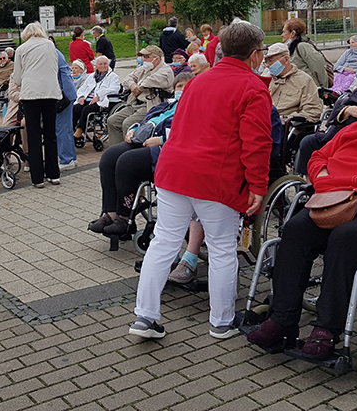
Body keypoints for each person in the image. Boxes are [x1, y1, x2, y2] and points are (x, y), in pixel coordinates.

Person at [128, 21, 272, 340]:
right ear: (253, 55)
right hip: (215, 176)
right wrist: (258, 186)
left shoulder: (197, 80)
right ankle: (221, 321)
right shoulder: (253, 87)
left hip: (174, 169)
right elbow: (258, 143)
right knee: (222, 248)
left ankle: (145, 316)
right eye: (262, 51)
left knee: (164, 241)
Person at [247, 77, 357, 360]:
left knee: (344, 238)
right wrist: (325, 179)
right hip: (334, 199)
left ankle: (326, 329)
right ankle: (282, 319)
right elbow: (317, 157)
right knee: (295, 229)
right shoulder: (354, 128)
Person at [90, 73, 193, 237]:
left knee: (127, 162)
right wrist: (133, 129)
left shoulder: (193, 108)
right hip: (141, 140)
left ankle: (124, 219)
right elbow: (147, 120)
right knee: (109, 157)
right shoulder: (166, 105)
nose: (182, 89)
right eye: (179, 86)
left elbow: (190, 133)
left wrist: (161, 139)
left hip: (164, 150)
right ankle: (111, 213)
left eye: (187, 85)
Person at [294, 59, 357, 175]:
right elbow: (337, 107)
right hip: (338, 133)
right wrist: (347, 110)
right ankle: (307, 183)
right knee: (308, 142)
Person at [10, 22, 62, 188]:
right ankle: (54, 174)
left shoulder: (21, 49)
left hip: (31, 93)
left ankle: (37, 177)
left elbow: (17, 77)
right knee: (50, 133)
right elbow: (55, 68)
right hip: (50, 92)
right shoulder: (50, 45)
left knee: (33, 135)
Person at [107, 45, 174, 147]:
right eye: (143, 57)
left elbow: (148, 81)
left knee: (128, 123)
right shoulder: (144, 69)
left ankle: (129, 153)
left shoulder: (166, 71)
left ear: (157, 58)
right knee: (112, 121)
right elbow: (127, 79)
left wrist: (138, 86)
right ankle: (116, 150)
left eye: (147, 57)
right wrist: (133, 86)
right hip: (135, 103)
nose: (144, 60)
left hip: (151, 106)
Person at [264, 42, 324, 124]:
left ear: (286, 59)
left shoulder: (304, 80)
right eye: (266, 62)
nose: (267, 65)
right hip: (265, 122)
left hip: (286, 126)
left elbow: (312, 111)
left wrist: (286, 119)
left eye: (270, 61)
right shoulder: (267, 78)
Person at [73, 55, 121, 140]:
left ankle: (80, 130)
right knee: (75, 108)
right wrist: (81, 96)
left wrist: (99, 96)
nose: (103, 66)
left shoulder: (113, 76)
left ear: (108, 64)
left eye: (105, 64)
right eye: (100, 64)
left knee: (87, 109)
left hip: (102, 101)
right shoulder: (91, 76)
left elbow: (115, 89)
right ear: (96, 66)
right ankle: (70, 130)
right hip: (87, 99)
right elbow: (82, 88)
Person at [53, 39, 79, 172]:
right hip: (68, 93)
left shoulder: (52, 53)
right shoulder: (57, 53)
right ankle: (71, 158)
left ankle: (66, 159)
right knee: (66, 128)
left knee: (61, 128)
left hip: (63, 95)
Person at [283, 18, 328, 87]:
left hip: (310, 88)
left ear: (293, 33)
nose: (282, 35)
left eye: (284, 32)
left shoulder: (302, 46)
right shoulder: (291, 48)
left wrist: (323, 88)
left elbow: (318, 66)